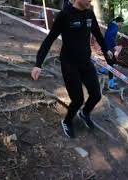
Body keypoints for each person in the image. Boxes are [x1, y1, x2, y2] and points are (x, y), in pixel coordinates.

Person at [31, 0, 114, 138]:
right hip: (69, 65)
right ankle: (67, 121)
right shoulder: (65, 15)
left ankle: (84, 113)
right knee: (78, 100)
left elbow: (98, 34)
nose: (90, 0)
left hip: (86, 63)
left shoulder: (89, 14)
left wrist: (106, 50)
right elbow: (49, 40)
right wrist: (38, 64)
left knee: (96, 95)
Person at [99, 16, 124, 90]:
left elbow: (110, 38)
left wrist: (114, 45)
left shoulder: (112, 25)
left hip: (107, 47)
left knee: (111, 62)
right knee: (111, 66)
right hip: (107, 48)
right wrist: (108, 49)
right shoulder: (115, 27)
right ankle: (111, 85)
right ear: (118, 22)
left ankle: (102, 71)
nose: (121, 25)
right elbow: (107, 37)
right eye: (121, 23)